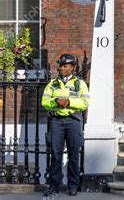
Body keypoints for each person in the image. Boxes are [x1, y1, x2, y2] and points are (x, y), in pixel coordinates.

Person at [42, 54, 90, 197]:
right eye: (61, 65)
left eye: (65, 66)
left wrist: (69, 103)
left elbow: (85, 103)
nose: (61, 68)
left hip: (73, 121)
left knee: (73, 155)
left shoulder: (80, 84)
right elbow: (44, 101)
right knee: (56, 155)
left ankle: (73, 186)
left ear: (72, 67)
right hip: (57, 121)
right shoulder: (53, 83)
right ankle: (54, 186)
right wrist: (56, 102)